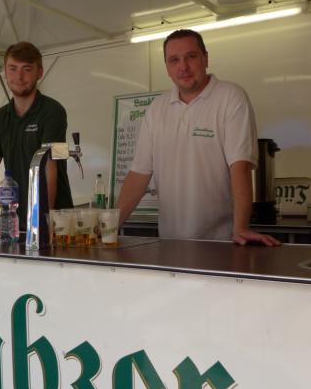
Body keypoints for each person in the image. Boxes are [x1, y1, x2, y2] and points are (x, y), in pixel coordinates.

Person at [117, 29, 280, 246]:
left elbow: (239, 167)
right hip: (170, 243)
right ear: (167, 68)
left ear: (206, 58)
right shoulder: (157, 109)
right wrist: (109, 228)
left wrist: (240, 228)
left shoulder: (230, 97)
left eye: (191, 57)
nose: (183, 67)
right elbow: (138, 175)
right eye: (174, 60)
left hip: (219, 244)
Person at [0, 42, 73, 231]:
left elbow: (51, 167)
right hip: (16, 222)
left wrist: (44, 222)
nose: (19, 77)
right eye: (13, 69)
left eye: (27, 69)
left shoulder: (54, 111)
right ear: (5, 72)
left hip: (56, 222)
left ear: (39, 73)